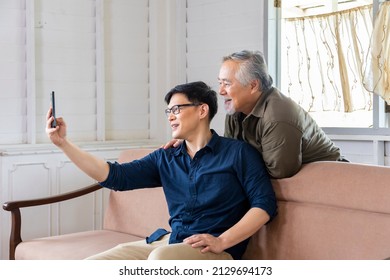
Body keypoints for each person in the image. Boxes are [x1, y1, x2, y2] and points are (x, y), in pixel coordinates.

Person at [46, 81, 277, 260]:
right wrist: (63, 143)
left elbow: (264, 204)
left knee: (161, 260)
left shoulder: (238, 153)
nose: (171, 116)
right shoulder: (166, 157)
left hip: (214, 252)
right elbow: (116, 176)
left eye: (177, 108)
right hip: (170, 242)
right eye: (168, 111)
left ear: (202, 110)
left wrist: (222, 241)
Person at [164, 50, 346, 179]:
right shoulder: (235, 109)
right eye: (220, 83)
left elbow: (279, 173)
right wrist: (192, 144)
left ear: (253, 86)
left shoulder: (278, 115)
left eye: (227, 84)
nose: (220, 91)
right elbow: (229, 153)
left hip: (330, 177)